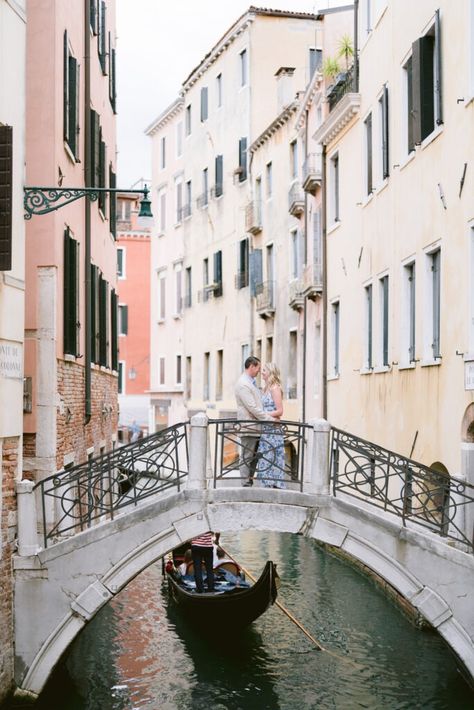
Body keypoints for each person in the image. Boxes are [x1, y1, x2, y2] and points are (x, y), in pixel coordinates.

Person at [234, 356, 276, 487]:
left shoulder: (250, 382)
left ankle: (249, 481)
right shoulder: (243, 384)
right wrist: (270, 419)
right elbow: (252, 407)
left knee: (254, 456)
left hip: (256, 427)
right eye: (258, 367)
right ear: (251, 366)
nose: (259, 371)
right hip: (249, 426)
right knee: (247, 456)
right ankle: (245, 483)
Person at [255, 363, 286, 489]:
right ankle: (266, 484)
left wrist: (264, 415)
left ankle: (274, 484)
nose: (262, 372)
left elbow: (280, 411)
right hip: (266, 429)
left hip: (273, 429)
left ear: (271, 372)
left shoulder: (275, 388)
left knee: (273, 456)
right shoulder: (265, 389)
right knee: (265, 456)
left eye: (264, 370)